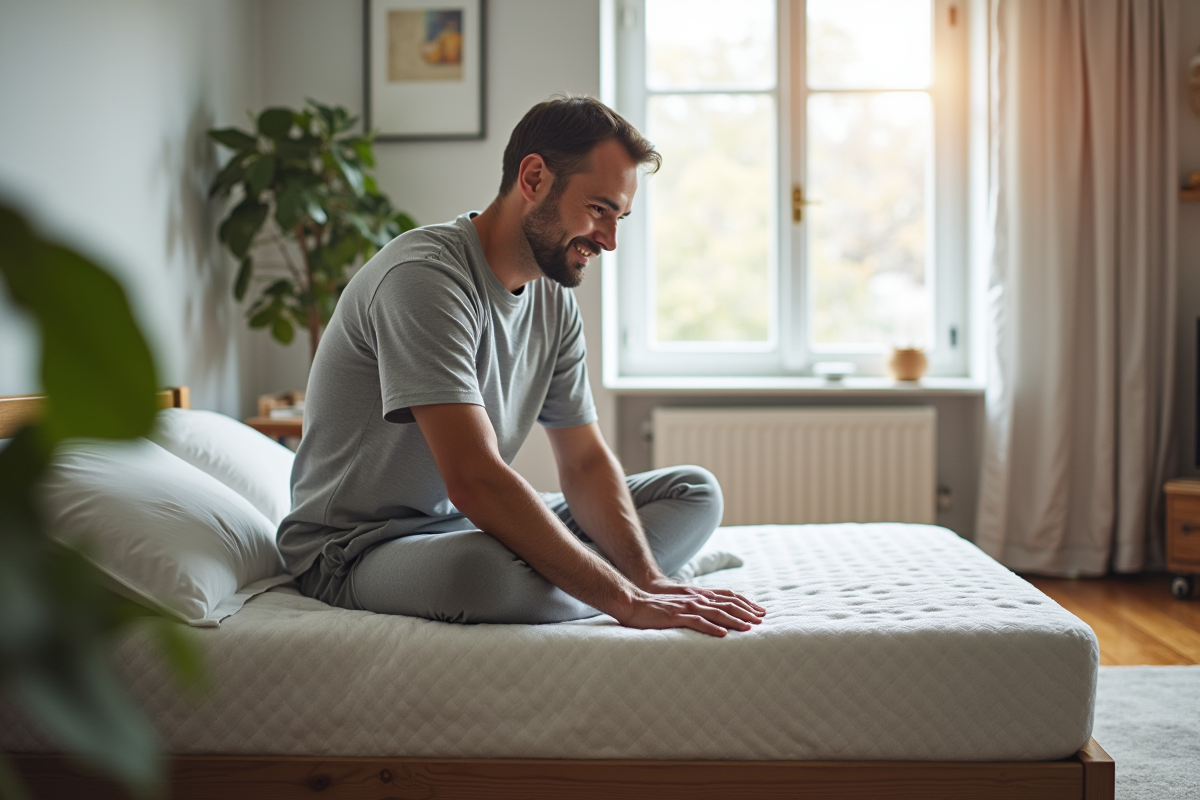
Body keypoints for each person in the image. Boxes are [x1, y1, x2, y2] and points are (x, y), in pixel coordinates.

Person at [277, 95, 765, 637]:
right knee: (483, 576)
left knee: (694, 492)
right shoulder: (425, 278)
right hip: (359, 548)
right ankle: (590, 579)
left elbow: (583, 464)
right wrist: (622, 600)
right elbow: (474, 479)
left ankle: (604, 575)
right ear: (533, 177)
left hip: (467, 525)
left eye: (619, 217)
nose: (609, 239)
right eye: (599, 209)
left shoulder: (552, 300)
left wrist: (647, 579)